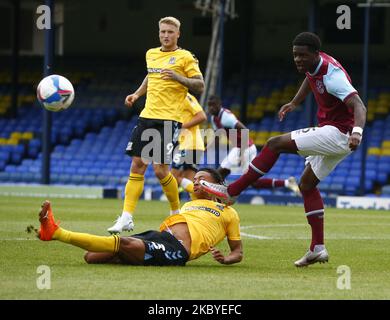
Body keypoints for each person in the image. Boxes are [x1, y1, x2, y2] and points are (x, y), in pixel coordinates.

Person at [200, 32, 367, 267]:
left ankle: (233, 191)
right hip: (337, 134)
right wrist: (295, 102)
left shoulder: (332, 76)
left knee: (273, 144)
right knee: (307, 185)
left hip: (339, 134)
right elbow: (310, 78)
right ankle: (317, 248)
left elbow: (359, 105)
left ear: (315, 54)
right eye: (295, 55)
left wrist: (357, 133)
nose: (297, 59)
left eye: (302, 56)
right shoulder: (314, 65)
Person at [108, 17, 205, 234]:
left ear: (178, 34)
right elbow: (150, 77)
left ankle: (175, 212)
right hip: (147, 116)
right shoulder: (151, 54)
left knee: (161, 171)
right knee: (137, 164)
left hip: (169, 120)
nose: (166, 35)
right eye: (163, 31)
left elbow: (200, 84)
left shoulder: (185, 57)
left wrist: (179, 77)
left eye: (170, 32)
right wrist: (136, 94)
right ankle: (126, 217)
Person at [37, 168, 243, 267]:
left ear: (215, 185)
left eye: (202, 180)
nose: (196, 182)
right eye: (195, 179)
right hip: (159, 236)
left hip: (178, 250)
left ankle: (56, 232)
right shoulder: (190, 201)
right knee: (91, 256)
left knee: (124, 243)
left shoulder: (229, 213)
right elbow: (179, 178)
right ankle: (137, 256)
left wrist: (226, 259)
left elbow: (238, 252)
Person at [180, 94, 300, 196]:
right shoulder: (214, 118)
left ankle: (219, 196)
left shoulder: (226, 117)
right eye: (209, 106)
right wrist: (206, 149)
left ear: (219, 105)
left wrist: (242, 154)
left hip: (245, 148)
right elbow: (218, 136)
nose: (211, 108)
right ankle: (287, 183)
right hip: (239, 148)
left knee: (224, 174)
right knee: (231, 176)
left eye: (213, 105)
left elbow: (244, 130)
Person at [171, 93, 207, 199]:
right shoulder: (176, 99)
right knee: (190, 181)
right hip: (192, 145)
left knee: (173, 177)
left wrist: (180, 128)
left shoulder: (185, 96)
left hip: (189, 144)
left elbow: (202, 116)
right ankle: (196, 207)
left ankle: (205, 197)